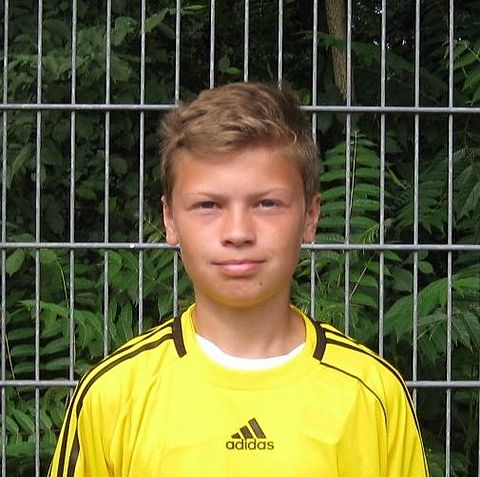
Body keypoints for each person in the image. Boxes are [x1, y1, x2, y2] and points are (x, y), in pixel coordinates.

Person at [49, 82, 429, 476]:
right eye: (208, 205)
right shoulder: (113, 395)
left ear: (310, 216)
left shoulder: (373, 393)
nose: (237, 232)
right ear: (170, 219)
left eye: (267, 203)